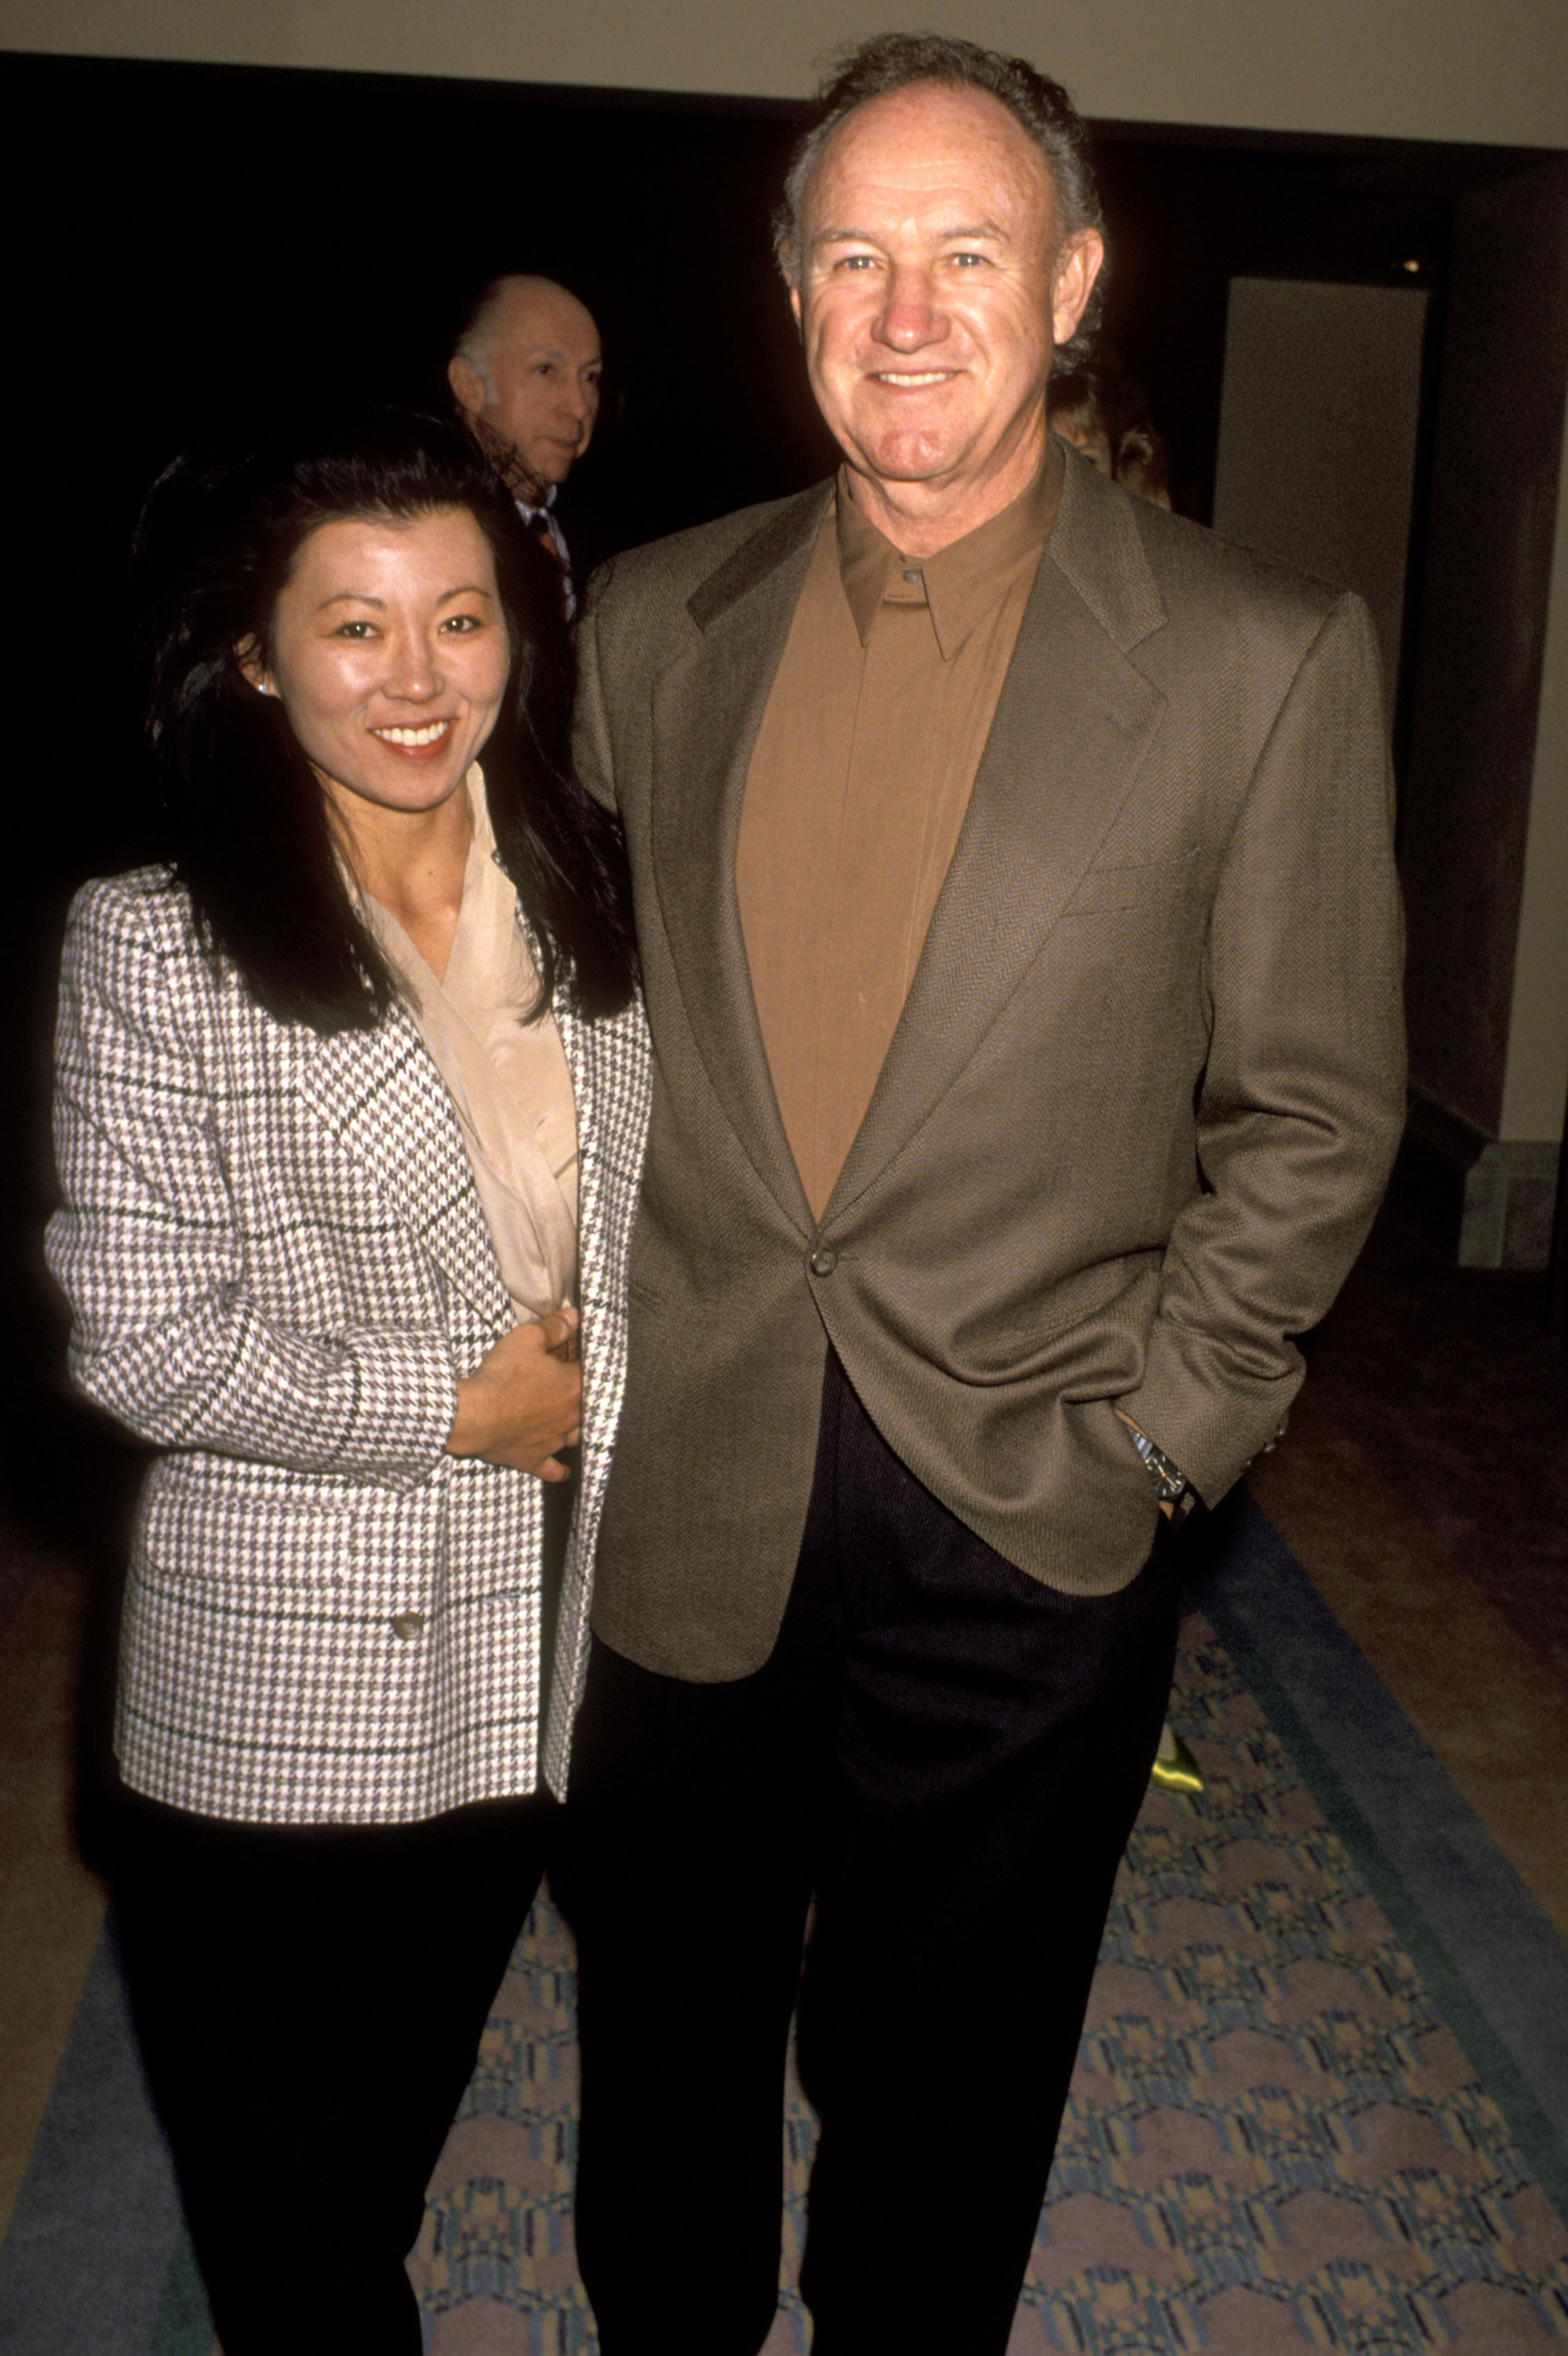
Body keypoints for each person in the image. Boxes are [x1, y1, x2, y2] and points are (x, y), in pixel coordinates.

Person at [561, 30, 1405, 2356]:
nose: (904, 311)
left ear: (1069, 287)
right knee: (660, 2036)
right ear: (787, 293)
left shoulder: (1256, 657)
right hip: (689, 1479)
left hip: (1027, 1502)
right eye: (853, 257)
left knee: (947, 2074)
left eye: (963, 253)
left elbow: (1316, 1108)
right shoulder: (647, 622)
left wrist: (1159, 1435)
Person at [44, 408, 648, 2356]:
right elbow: (138, 1329)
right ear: (252, 648)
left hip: (538, 1637)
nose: (417, 680)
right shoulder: (153, 941)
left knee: (385, 2136)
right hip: (283, 1665)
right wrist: (453, 1409)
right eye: (357, 626)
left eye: (460, 620)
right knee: (295, 2223)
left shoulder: (596, 897)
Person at [448, 273, 603, 602]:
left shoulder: (608, 543)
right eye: (546, 370)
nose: (579, 407)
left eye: (590, 377)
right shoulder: (422, 537)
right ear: (469, 385)